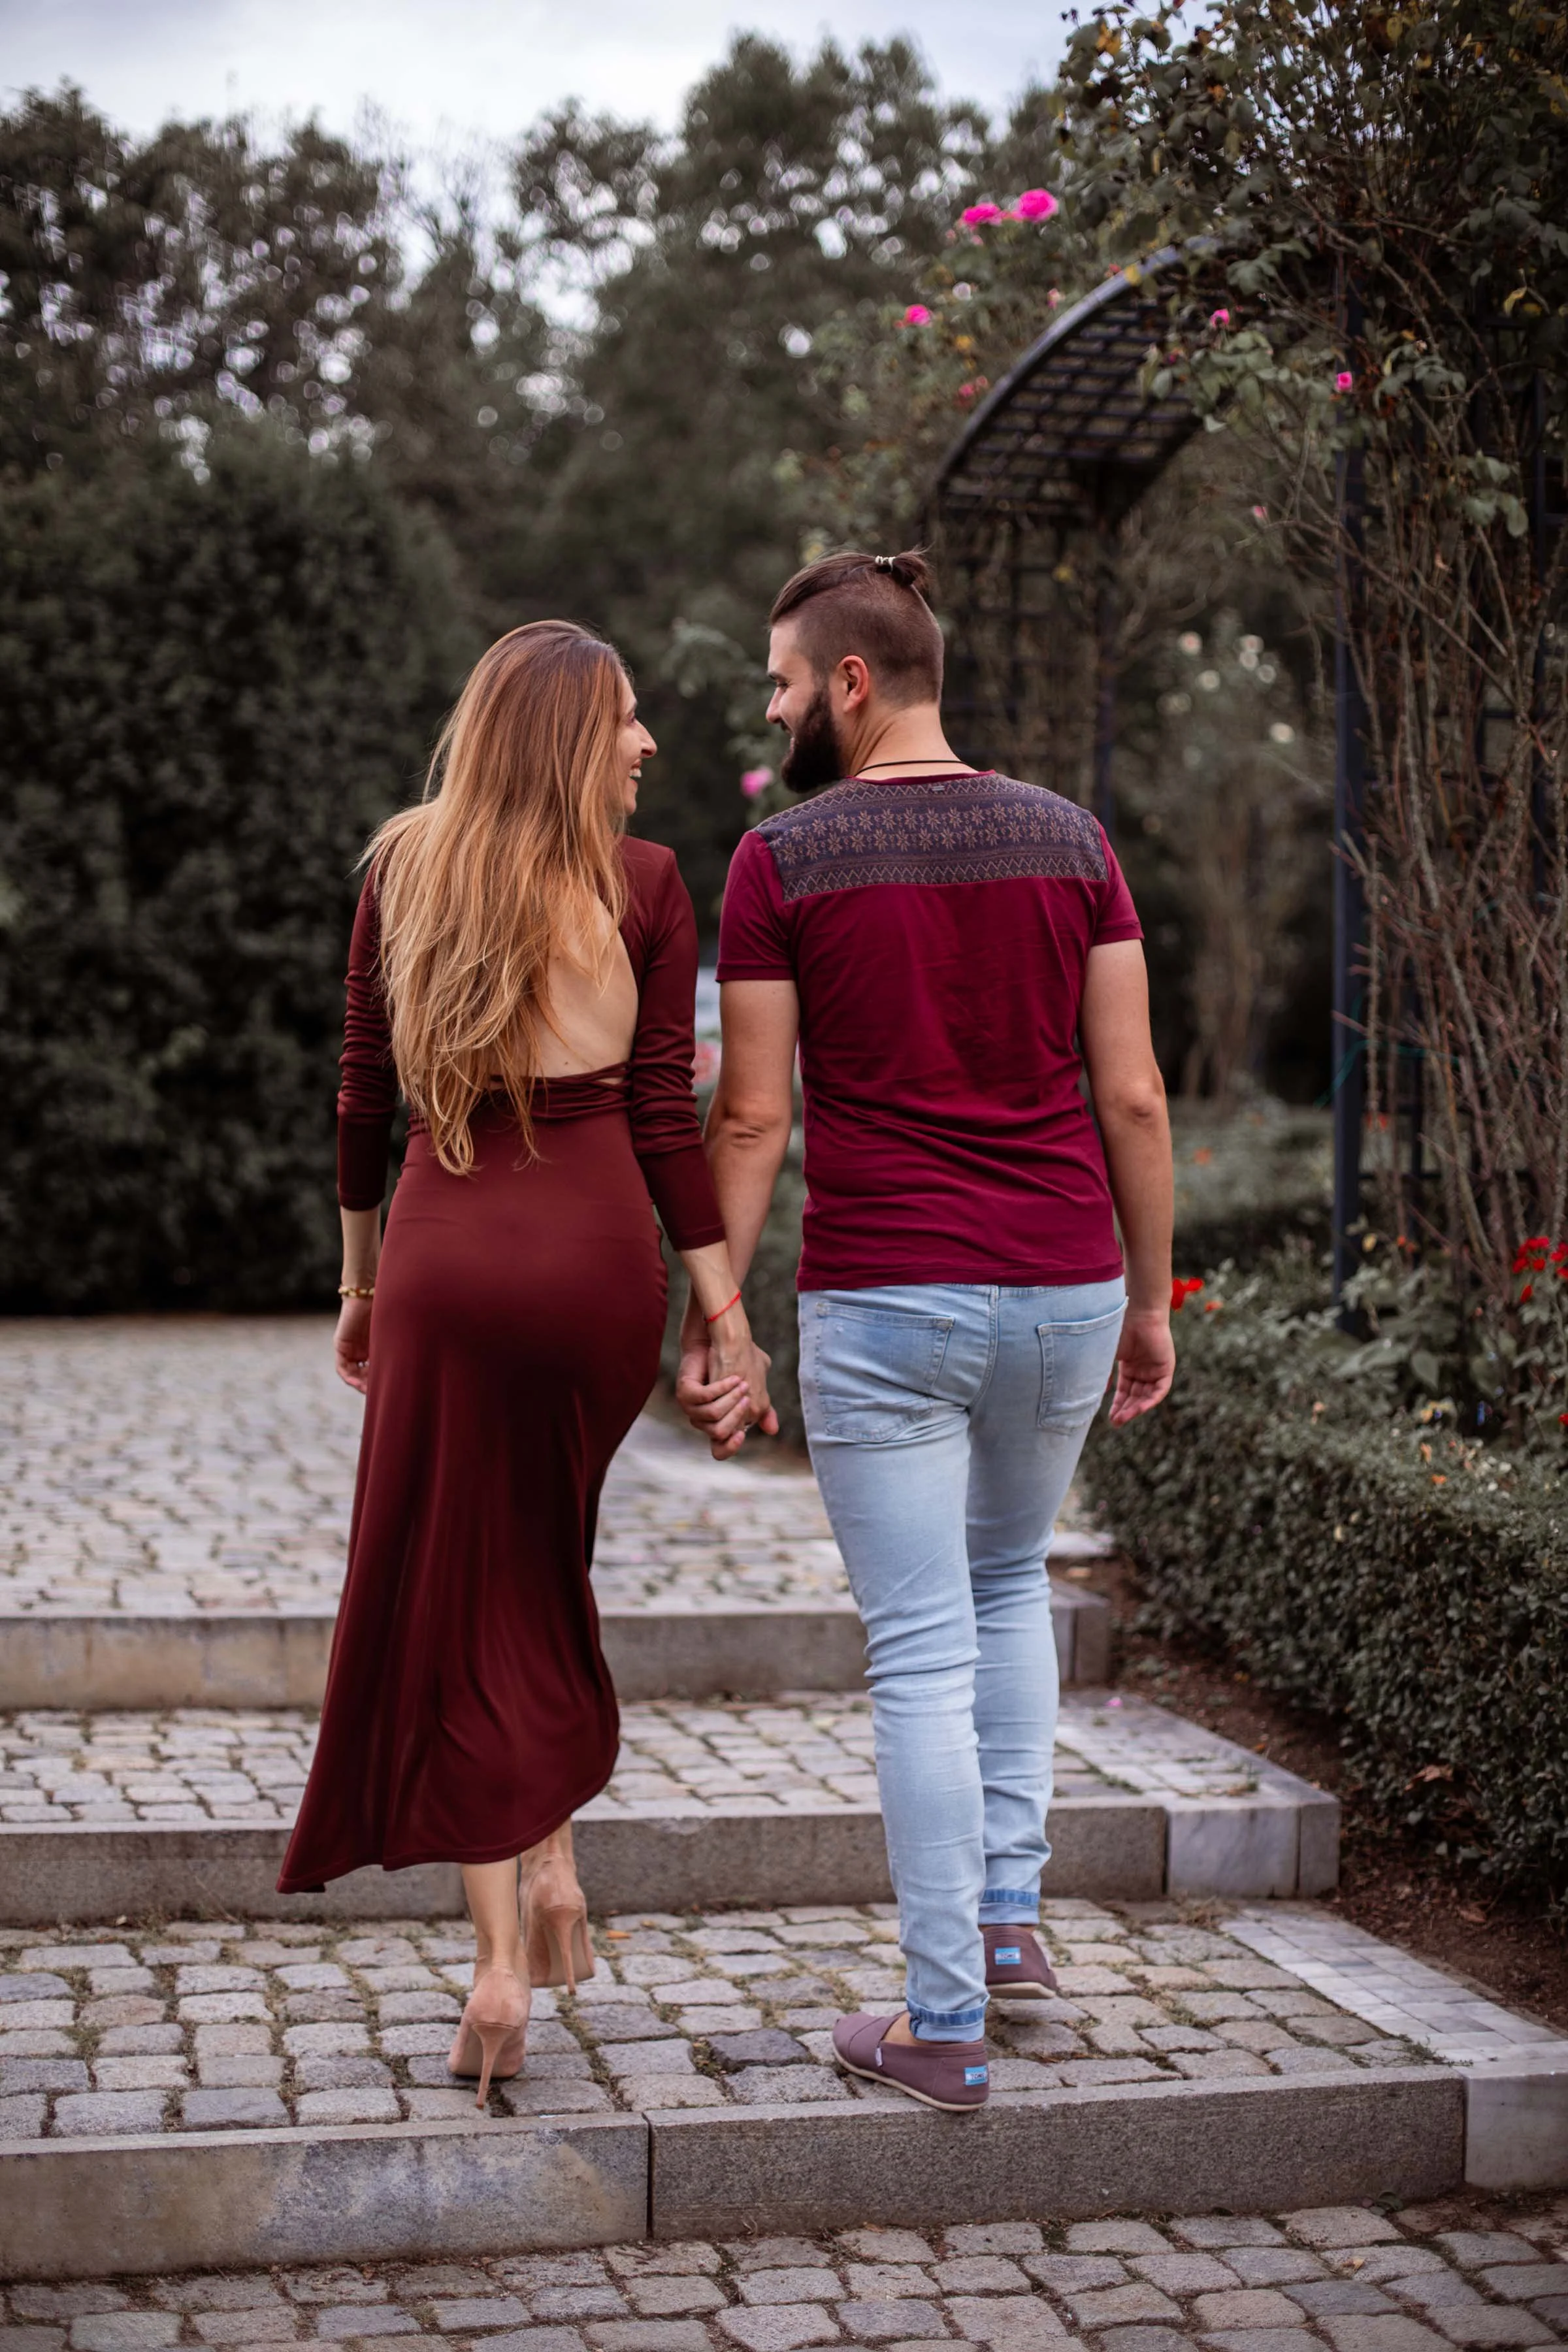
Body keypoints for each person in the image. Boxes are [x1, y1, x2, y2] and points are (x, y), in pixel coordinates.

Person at [678, 549, 1174, 2113]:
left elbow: (753, 1113)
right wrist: (1152, 1299)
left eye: (778, 681)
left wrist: (718, 1313)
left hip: (887, 1296)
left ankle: (943, 2021)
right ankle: (1012, 1930)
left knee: (917, 1651)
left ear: (849, 681)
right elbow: (1136, 1095)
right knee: (1006, 1580)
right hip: (1062, 1284)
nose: (770, 711)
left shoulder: (784, 859)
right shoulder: (1072, 840)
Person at [279, 620, 772, 2106]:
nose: (646, 745)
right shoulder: (645, 886)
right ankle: (552, 1868)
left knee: (468, 1594)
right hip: (597, 1272)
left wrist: (361, 1283)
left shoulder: (401, 872)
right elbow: (665, 1117)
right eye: (624, 722)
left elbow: (364, 1099)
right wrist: (723, 1309)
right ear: (565, 736)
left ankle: (500, 1966)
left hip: (445, 1257)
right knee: (539, 1563)